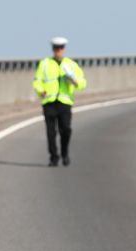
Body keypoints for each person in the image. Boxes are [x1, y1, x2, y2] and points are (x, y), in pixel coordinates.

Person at [32, 37, 87, 166]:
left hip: (64, 101)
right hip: (49, 101)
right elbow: (37, 81)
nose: (58, 51)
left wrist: (75, 82)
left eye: (61, 48)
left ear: (64, 49)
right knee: (51, 132)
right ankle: (53, 157)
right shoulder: (44, 64)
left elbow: (83, 82)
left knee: (66, 130)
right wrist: (41, 91)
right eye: (56, 48)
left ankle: (64, 153)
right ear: (53, 49)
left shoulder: (71, 64)